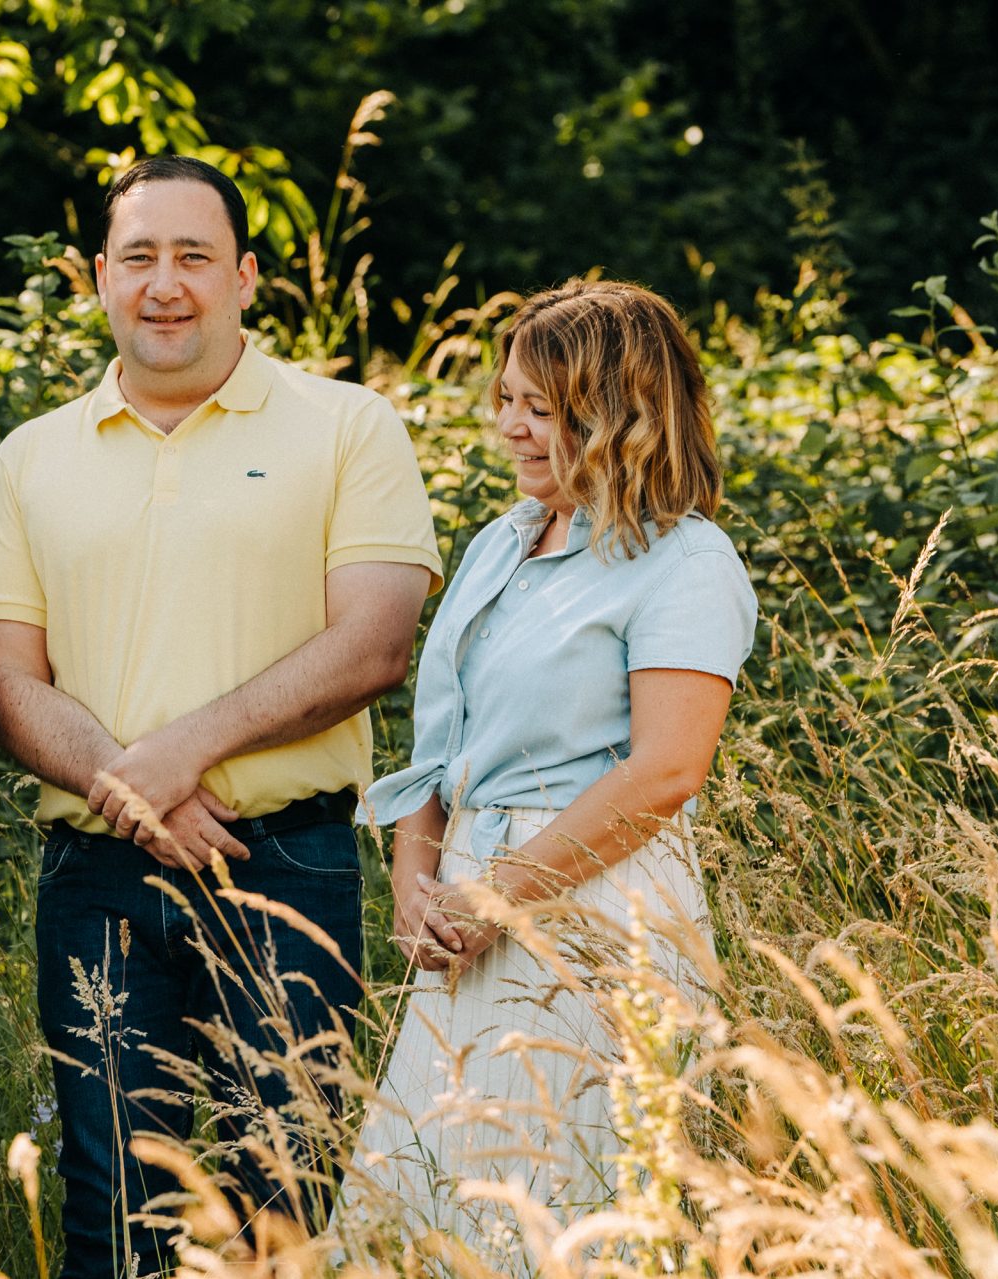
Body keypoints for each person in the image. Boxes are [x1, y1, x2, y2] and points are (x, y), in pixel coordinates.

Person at [0, 155, 440, 1272]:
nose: (164, 283)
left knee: (280, 1201)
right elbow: (4, 683)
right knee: (112, 1206)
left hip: (288, 864)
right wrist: (136, 799)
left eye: (192, 256)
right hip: (94, 879)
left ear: (244, 276)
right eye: (138, 257)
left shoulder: (347, 426)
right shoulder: (31, 457)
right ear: (98, 278)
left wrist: (179, 753)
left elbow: (373, 640)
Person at [348, 279, 757, 1268]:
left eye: (541, 408)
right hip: (464, 901)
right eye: (507, 401)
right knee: (425, 1199)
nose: (511, 428)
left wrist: (503, 896)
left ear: (614, 414)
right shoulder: (499, 542)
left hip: (592, 904)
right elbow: (438, 753)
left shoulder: (684, 559)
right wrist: (415, 882)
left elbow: (665, 770)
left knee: (567, 1206)